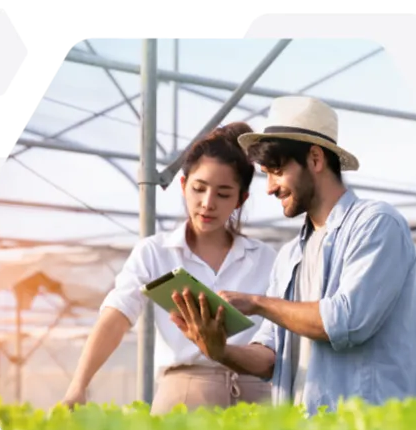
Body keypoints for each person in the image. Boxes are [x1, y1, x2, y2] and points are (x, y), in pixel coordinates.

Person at [169, 96, 416, 416]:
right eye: (266, 174)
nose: (270, 187)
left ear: (315, 159)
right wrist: (218, 350)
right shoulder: (291, 255)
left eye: (277, 171)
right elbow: (270, 358)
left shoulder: (376, 224)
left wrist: (256, 302)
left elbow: (346, 322)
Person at [60, 121, 277, 414]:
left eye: (224, 194)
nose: (208, 203)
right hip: (183, 398)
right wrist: (78, 385)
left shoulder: (266, 259)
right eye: (199, 189)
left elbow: (278, 345)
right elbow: (117, 315)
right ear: (184, 185)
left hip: (255, 402)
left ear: (242, 199)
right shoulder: (155, 253)